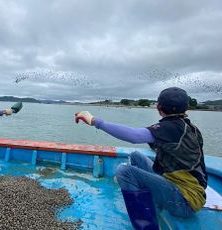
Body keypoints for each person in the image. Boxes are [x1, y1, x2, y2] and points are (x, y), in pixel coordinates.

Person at [75, 87, 207, 229]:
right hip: (180, 186)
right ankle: (146, 199)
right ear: (187, 107)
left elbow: (135, 136)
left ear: (159, 108)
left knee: (125, 171)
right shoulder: (187, 127)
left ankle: (146, 226)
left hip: (185, 201)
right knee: (135, 156)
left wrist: (95, 121)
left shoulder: (171, 127)